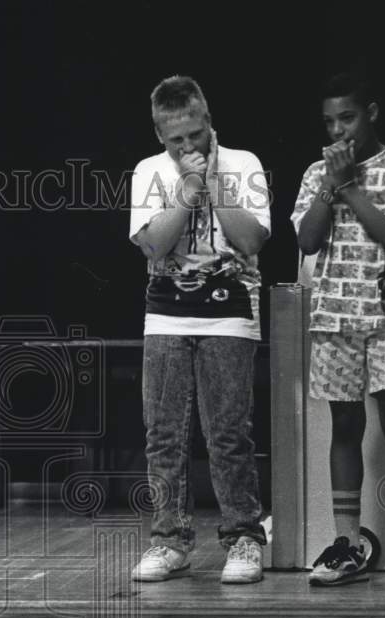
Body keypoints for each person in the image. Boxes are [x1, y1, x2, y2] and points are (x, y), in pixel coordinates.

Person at [292, 73, 385, 588]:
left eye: (347, 118)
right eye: (330, 122)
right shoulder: (318, 173)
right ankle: (348, 543)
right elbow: (309, 242)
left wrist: (351, 186)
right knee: (344, 428)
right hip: (334, 317)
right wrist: (330, 186)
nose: (339, 131)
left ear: (371, 112)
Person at [128, 76, 271, 584]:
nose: (188, 146)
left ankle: (243, 539)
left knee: (228, 431)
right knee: (163, 433)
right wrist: (187, 193)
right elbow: (153, 247)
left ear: (209, 122)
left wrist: (213, 185)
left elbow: (252, 239)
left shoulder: (243, 163)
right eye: (175, 140)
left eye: (195, 134)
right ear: (159, 135)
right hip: (166, 311)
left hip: (230, 309)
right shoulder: (149, 171)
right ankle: (169, 540)